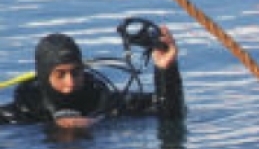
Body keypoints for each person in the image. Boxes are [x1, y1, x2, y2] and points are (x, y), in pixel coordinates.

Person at [1, 21, 184, 128]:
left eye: (75, 72)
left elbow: (171, 113)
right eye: (60, 75)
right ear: (43, 76)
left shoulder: (105, 104)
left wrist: (166, 69)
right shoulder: (20, 114)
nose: (70, 83)